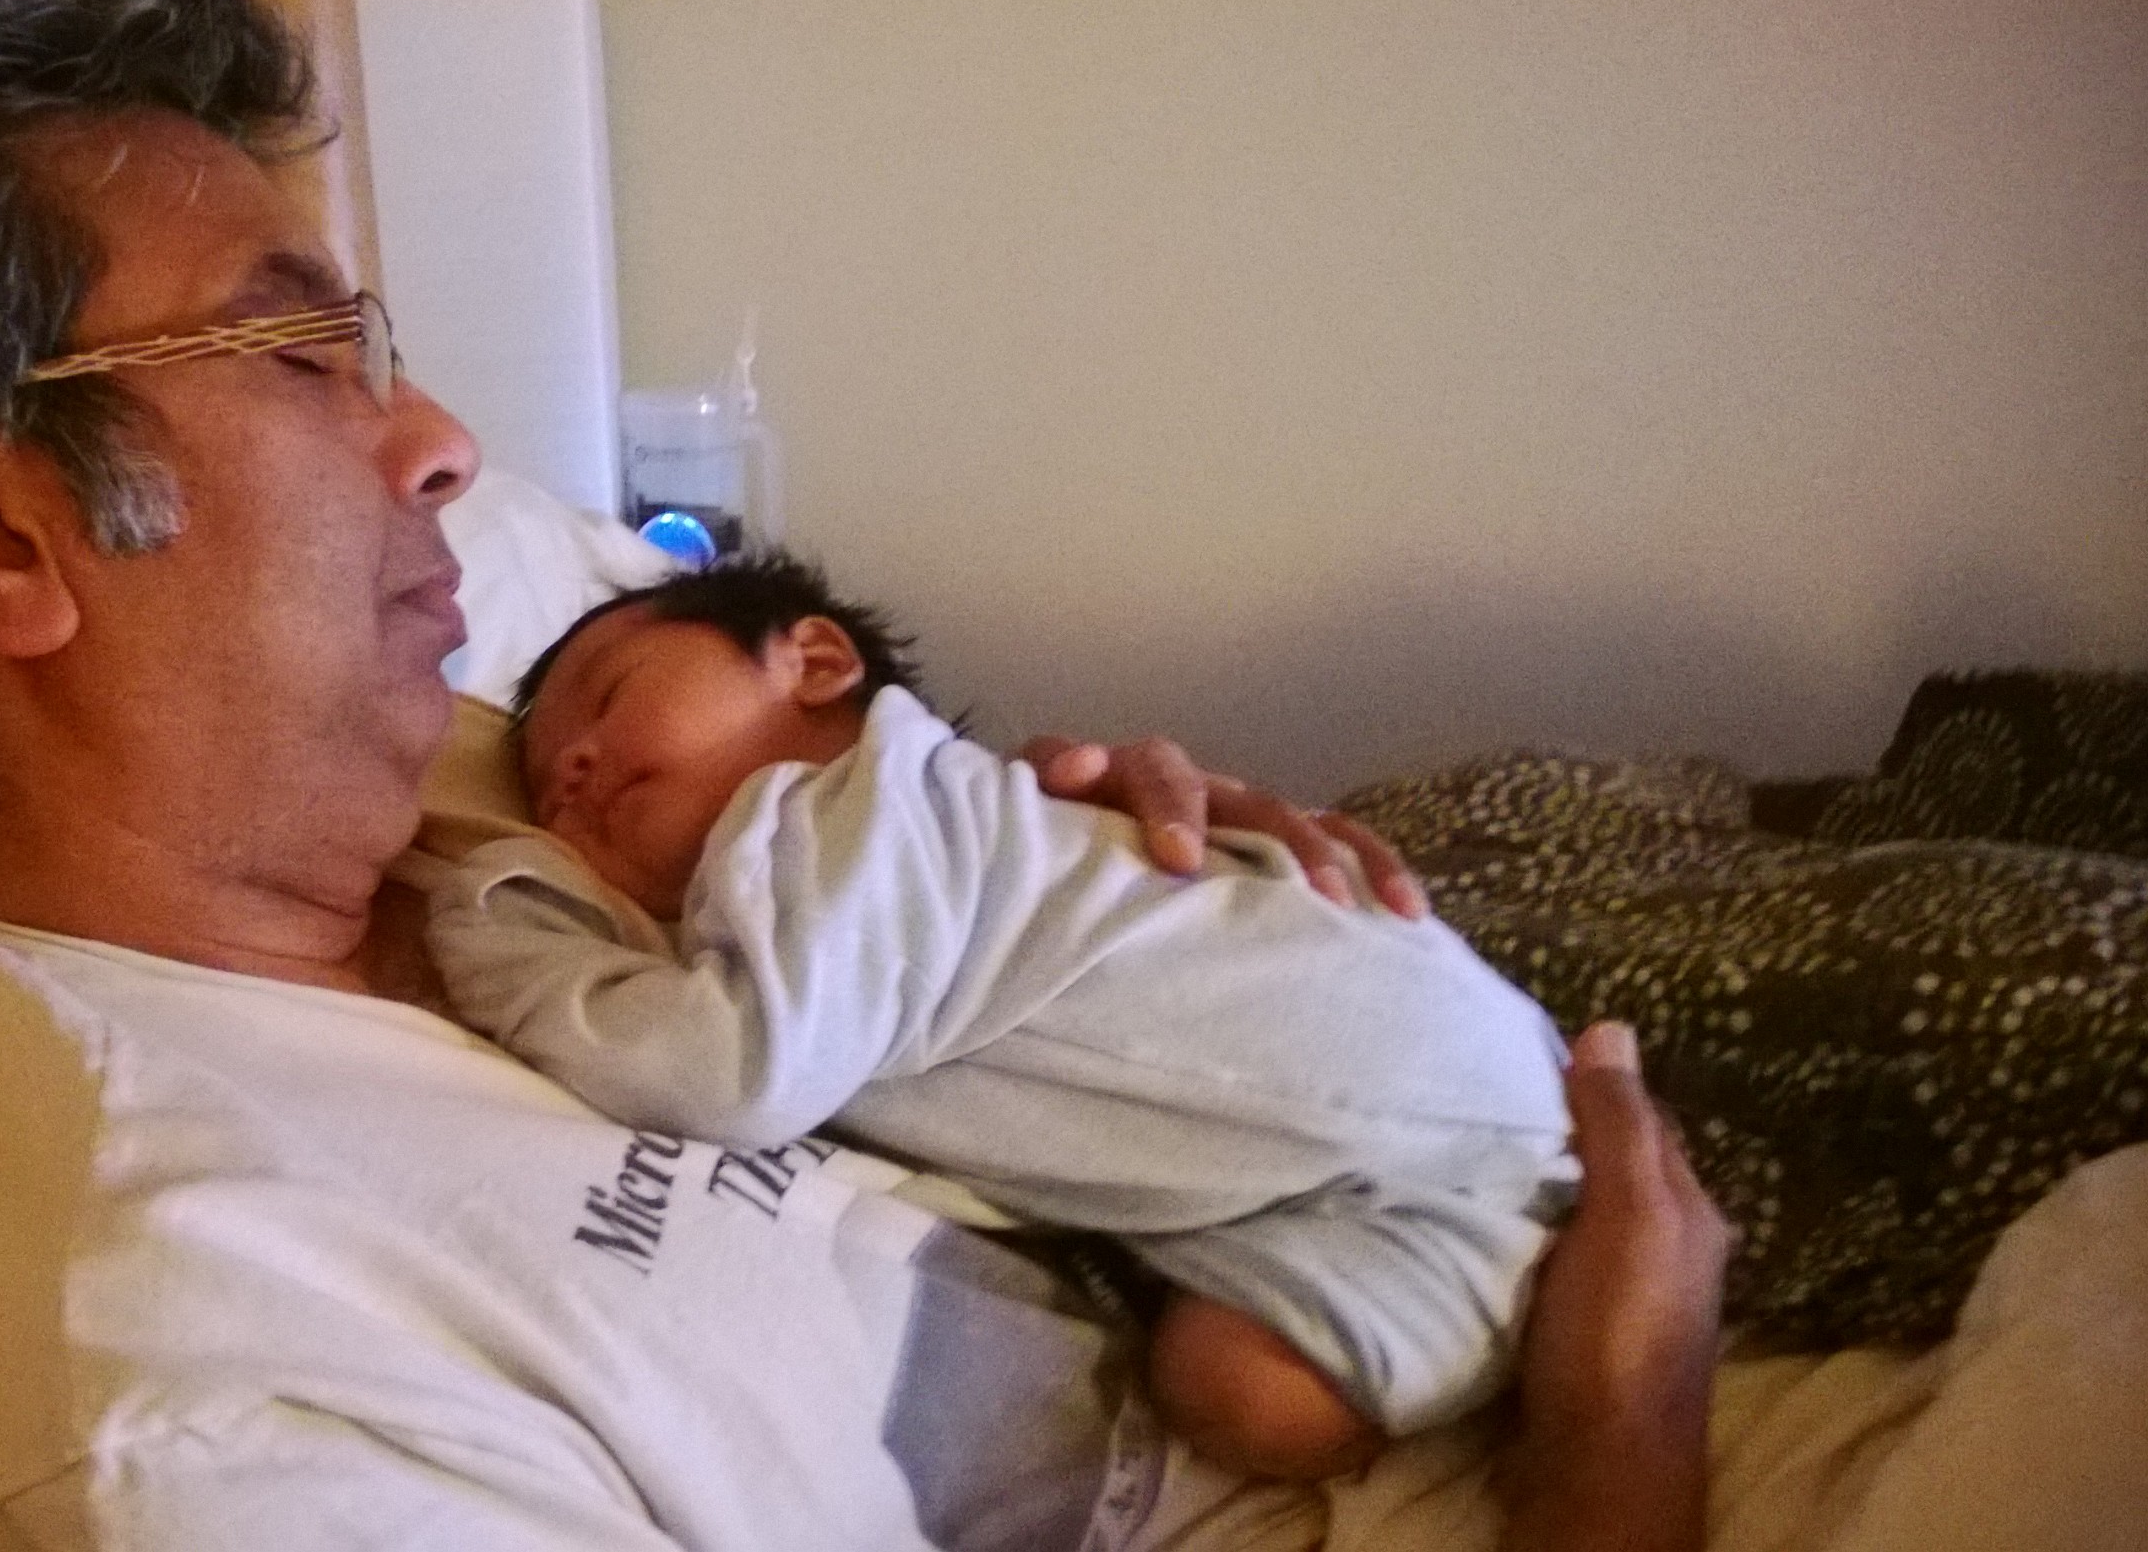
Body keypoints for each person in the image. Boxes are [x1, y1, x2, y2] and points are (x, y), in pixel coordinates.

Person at [0, 0, 1729, 1552]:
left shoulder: (468, 773)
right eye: (304, 348)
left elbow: (925, 874)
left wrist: (1090, 861)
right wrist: (1628, 1429)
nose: (439, 443)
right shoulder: (205, 1408)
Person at [423, 553, 1580, 1479]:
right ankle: (1547, 1291)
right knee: (1245, 1394)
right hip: (1384, 1160)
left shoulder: (853, 811)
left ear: (814, 661)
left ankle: (1566, 1287)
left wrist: (510, 943)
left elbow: (728, 1075)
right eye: (548, 789)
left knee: (1248, 1393)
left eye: (609, 697)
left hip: (1426, 1087)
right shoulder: (798, 907)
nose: (576, 764)